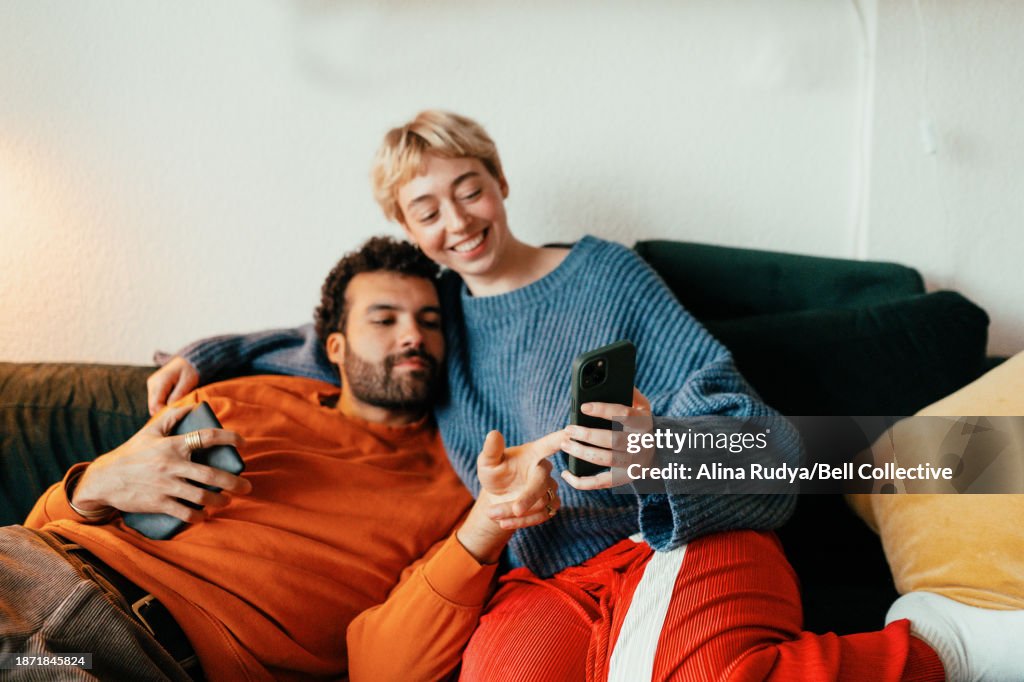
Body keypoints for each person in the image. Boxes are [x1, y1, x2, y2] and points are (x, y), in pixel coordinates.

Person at [148, 112, 948, 680]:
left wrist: (651, 444)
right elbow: (325, 347)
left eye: (469, 190)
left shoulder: (606, 274)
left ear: (499, 182)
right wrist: (206, 355)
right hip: (548, 579)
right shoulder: (434, 324)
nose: (456, 221)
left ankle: (946, 651)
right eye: (426, 210)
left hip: (671, 541)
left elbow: (759, 437)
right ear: (407, 225)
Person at [4, 237, 563, 681]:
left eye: (430, 321)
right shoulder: (234, 397)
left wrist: (487, 523)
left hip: (125, 651)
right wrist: (92, 486)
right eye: (385, 319)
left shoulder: (459, 483)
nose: (413, 335)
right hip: (27, 570)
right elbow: (39, 531)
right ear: (335, 348)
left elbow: (384, 667)